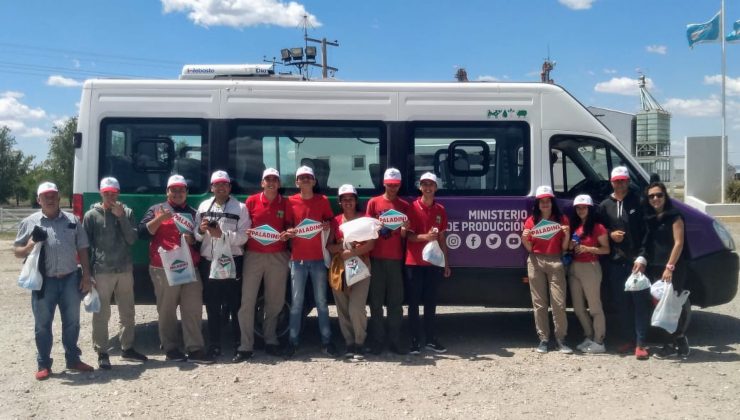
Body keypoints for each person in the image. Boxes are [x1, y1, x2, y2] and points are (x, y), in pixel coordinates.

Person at [14, 182, 95, 380]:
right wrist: (30, 245)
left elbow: (83, 248)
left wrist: (86, 275)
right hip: (44, 282)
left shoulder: (73, 220)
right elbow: (17, 251)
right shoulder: (30, 222)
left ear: (59, 198)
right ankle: (43, 364)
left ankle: (73, 359)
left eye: (53, 195)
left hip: (69, 279)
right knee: (42, 324)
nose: (50, 199)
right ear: (38, 200)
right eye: (45, 196)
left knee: (72, 323)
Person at [138, 174, 213, 364]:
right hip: (163, 266)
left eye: (181, 190)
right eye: (174, 190)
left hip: (189, 266)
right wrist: (159, 219)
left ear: (186, 192)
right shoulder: (156, 209)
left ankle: (195, 348)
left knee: (193, 308)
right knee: (167, 309)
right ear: (167, 192)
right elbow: (141, 233)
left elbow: (200, 240)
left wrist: (193, 240)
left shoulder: (194, 212)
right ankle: (171, 348)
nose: (178, 193)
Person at [83, 177, 147, 369]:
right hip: (102, 270)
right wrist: (87, 273)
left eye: (114, 192)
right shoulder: (91, 215)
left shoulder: (127, 212)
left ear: (118, 193)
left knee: (127, 310)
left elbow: (132, 239)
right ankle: (102, 352)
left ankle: (127, 347)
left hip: (125, 269)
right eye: (106, 192)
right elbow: (85, 246)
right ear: (101, 193)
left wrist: (121, 217)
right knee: (102, 312)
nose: (110, 196)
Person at [234, 168, 293, 362]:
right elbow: (243, 226)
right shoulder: (251, 201)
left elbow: (289, 225)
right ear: (262, 183)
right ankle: (245, 345)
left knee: (275, 301)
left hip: (278, 256)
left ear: (279, 183)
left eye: (275, 180)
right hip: (254, 256)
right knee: (247, 301)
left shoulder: (285, 203)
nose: (271, 183)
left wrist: (288, 232)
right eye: (267, 179)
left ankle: (270, 340)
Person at [195, 170, 250, 358]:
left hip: (233, 260)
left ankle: (238, 343)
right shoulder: (203, 206)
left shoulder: (240, 208)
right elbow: (196, 235)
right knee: (212, 304)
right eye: (217, 184)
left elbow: (244, 236)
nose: (220, 187)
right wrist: (201, 231)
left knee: (235, 304)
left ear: (229, 187)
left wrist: (223, 235)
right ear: (211, 187)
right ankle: (214, 344)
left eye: (224, 184)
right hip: (209, 261)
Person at [284, 165, 338, 357]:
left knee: (322, 302)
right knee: (297, 302)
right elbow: (287, 226)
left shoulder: (322, 201)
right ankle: (293, 341)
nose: (305, 180)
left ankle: (327, 341)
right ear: (296, 182)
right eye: (302, 177)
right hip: (297, 260)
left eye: (309, 177)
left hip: (317, 260)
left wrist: (326, 226)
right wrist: (289, 231)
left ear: (314, 181)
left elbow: (331, 223)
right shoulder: (290, 202)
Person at [599, 166, 651, 360]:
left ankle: (641, 343)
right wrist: (610, 235)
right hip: (615, 262)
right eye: (616, 180)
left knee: (640, 304)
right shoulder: (605, 205)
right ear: (611, 182)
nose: (620, 184)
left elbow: (647, 232)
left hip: (636, 262)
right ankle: (629, 339)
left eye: (623, 180)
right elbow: (599, 230)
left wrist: (642, 257)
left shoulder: (639, 202)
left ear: (628, 181)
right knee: (621, 305)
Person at [635, 182, 692, 358]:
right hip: (655, 268)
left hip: (672, 268)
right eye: (651, 196)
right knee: (660, 307)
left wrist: (670, 267)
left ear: (665, 196)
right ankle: (672, 343)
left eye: (659, 195)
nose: (655, 199)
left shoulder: (674, 216)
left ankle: (679, 342)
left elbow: (679, 243)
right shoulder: (650, 218)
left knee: (672, 306)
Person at [521, 185, 572, 354]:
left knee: (558, 302)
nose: (544, 204)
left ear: (552, 202)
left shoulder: (562, 219)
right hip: (535, 261)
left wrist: (566, 234)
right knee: (539, 304)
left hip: (556, 260)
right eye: (541, 202)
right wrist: (524, 238)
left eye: (547, 201)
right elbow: (529, 247)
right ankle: (543, 338)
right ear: (537, 204)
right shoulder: (531, 221)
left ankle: (561, 339)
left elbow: (565, 247)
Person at [404, 172, 451, 354]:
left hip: (434, 263)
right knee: (414, 303)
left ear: (436, 188)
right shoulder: (412, 208)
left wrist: (446, 263)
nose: (428, 188)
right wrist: (425, 237)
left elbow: (442, 238)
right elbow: (408, 236)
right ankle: (415, 340)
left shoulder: (440, 209)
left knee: (431, 303)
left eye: (431, 185)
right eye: (424, 184)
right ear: (420, 187)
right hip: (414, 262)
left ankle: (430, 339)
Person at [327, 184, 375, 359]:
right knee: (343, 307)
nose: (348, 202)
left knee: (356, 307)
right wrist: (342, 247)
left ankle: (360, 342)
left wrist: (352, 252)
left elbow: (371, 244)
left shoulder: (364, 219)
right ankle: (349, 343)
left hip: (361, 266)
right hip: (340, 268)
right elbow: (329, 246)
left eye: (351, 199)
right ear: (340, 202)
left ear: (356, 201)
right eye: (344, 199)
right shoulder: (335, 221)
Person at [365, 167, 410, 355]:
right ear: (384, 183)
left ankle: (395, 339)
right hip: (376, 258)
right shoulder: (374, 203)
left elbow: (405, 235)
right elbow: (367, 229)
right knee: (375, 303)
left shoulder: (404, 205)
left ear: (400, 185)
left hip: (395, 259)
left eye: (396, 185)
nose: (392, 188)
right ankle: (377, 340)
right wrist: (378, 227)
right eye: (389, 184)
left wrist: (404, 229)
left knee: (395, 303)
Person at [568, 194, 609, 354]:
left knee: (594, 306)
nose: (580, 210)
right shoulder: (576, 226)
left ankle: (599, 340)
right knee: (578, 308)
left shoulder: (598, 227)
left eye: (584, 207)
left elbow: (606, 249)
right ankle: (589, 336)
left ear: (590, 209)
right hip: (574, 266)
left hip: (590, 267)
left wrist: (588, 249)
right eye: (578, 207)